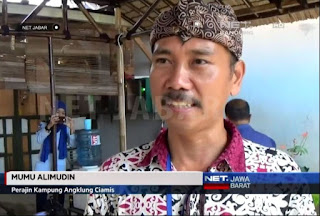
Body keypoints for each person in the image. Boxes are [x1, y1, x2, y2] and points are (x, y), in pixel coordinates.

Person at [85, 0, 316, 215]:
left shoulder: (280, 177)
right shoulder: (114, 178)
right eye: (163, 61)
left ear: (235, 77)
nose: (177, 81)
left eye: (199, 61)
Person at [35, 100, 75, 213]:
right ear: (52, 113)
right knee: (42, 196)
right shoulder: (43, 125)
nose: (60, 115)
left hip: (59, 165)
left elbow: (73, 144)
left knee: (59, 196)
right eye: (58, 112)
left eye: (63, 113)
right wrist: (49, 126)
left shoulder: (65, 128)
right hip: (44, 165)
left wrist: (72, 129)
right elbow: (38, 140)